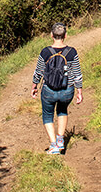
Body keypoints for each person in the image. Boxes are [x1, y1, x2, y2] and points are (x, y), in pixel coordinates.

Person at [29, 22, 83, 154]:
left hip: (49, 89)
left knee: (47, 115)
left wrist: (34, 86)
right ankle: (60, 140)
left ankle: (54, 145)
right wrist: (79, 91)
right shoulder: (72, 52)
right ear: (65, 35)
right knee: (62, 110)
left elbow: (39, 71)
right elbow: (77, 73)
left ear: (51, 35)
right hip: (67, 90)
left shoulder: (46, 52)